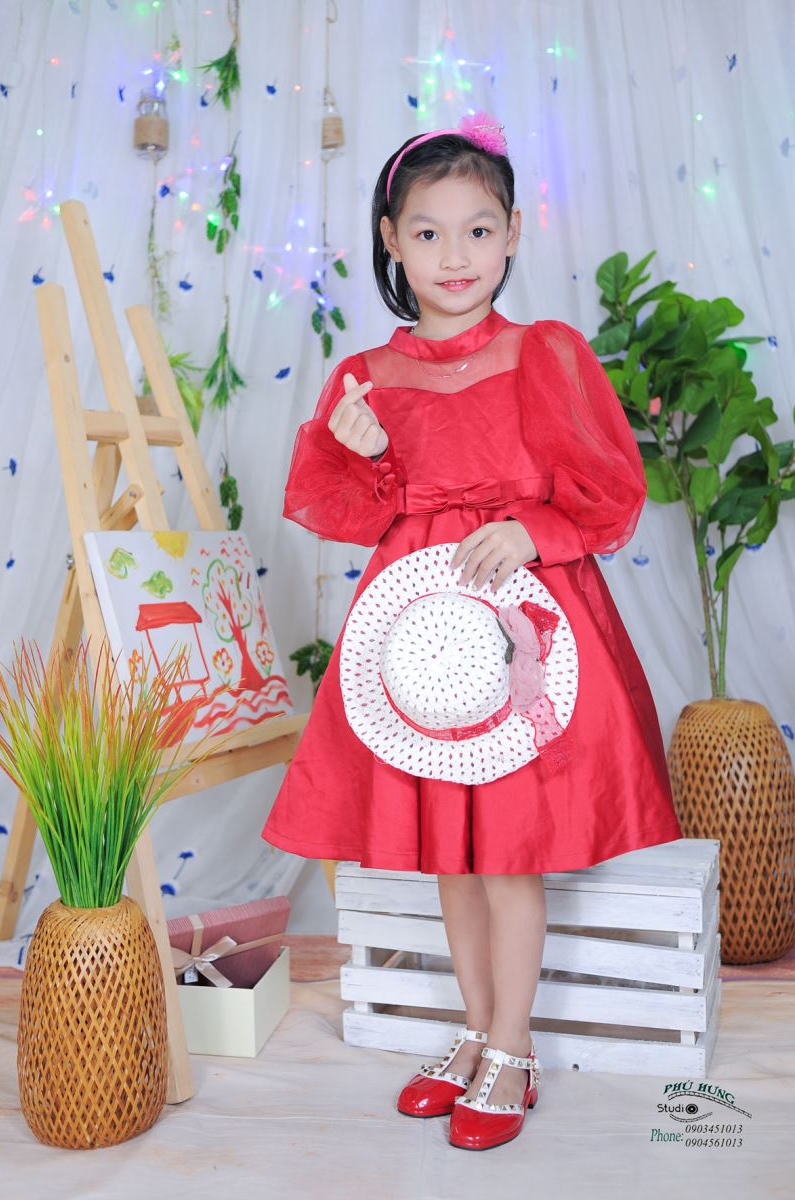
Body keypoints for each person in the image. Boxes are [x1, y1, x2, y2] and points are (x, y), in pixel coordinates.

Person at [261, 111, 683, 1151]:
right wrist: (358, 453)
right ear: (391, 242)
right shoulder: (367, 376)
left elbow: (609, 491)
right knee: (450, 849)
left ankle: (512, 1044)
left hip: (522, 634)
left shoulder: (545, 353)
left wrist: (532, 529)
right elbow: (347, 511)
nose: (455, 256)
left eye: (478, 230)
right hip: (418, 640)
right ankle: (473, 1028)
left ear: (512, 234)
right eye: (428, 232)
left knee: (508, 850)